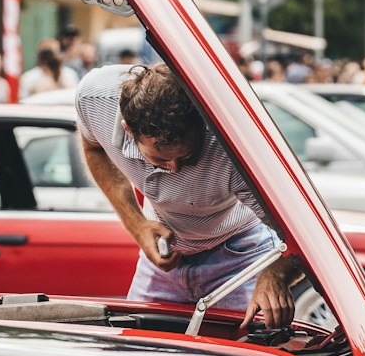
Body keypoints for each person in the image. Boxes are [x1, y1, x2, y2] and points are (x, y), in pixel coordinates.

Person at [76, 63, 299, 328]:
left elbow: (304, 235)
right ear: (129, 130)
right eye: (160, 158)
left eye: (187, 156)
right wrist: (136, 224)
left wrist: (275, 275)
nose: (175, 168)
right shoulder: (95, 100)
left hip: (241, 257)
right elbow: (93, 148)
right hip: (162, 265)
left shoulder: (232, 151)